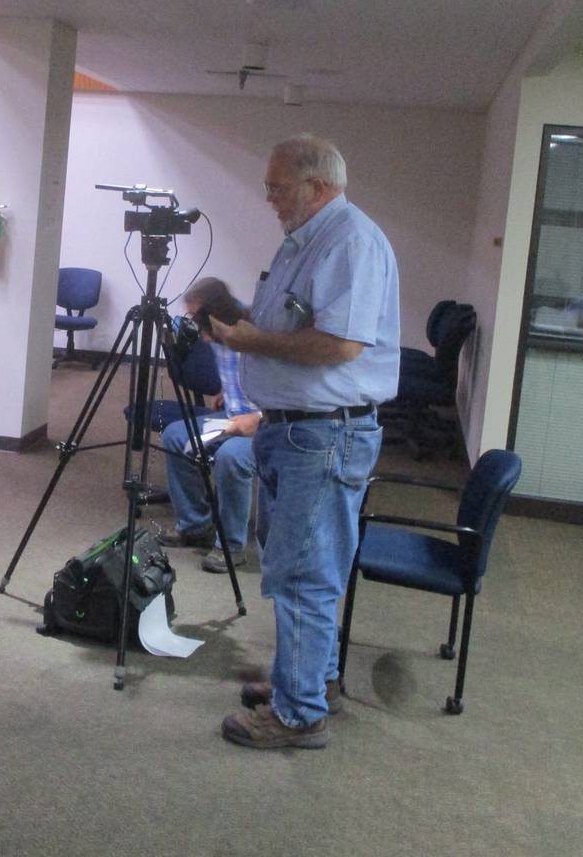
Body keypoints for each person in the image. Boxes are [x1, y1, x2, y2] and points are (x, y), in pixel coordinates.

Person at [211, 134, 399, 751]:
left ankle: (299, 715)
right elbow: (296, 325)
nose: (268, 198)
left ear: (317, 187)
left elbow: (338, 346)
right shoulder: (310, 240)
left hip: (322, 434)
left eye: (277, 187)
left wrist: (248, 343)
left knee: (302, 575)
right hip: (298, 429)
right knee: (303, 566)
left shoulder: (347, 241)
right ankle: (311, 680)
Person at [157, 276, 260, 574]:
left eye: (201, 322)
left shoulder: (254, 330)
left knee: (232, 457)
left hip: (265, 422)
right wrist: (227, 392)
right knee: (177, 435)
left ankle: (230, 546)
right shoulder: (216, 329)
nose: (201, 335)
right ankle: (195, 525)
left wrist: (257, 418)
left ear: (215, 312)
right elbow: (235, 368)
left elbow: (291, 388)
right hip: (233, 412)